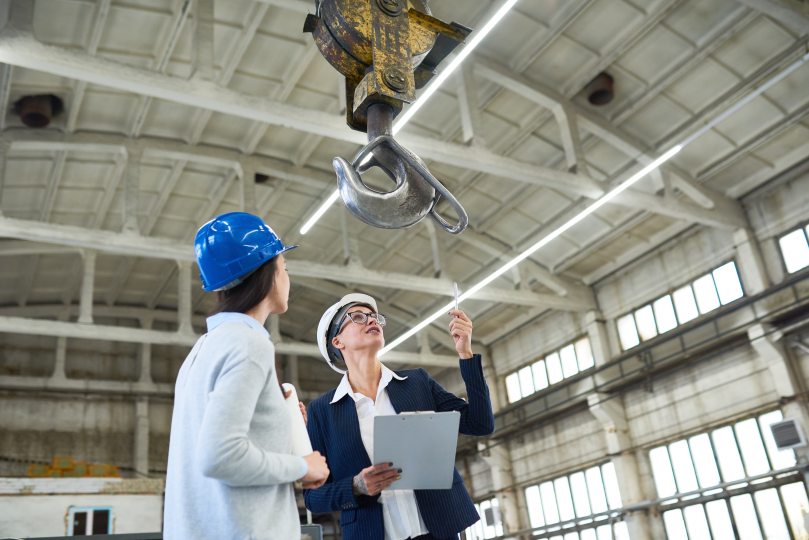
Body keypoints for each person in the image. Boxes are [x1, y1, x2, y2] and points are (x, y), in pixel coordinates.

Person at [164, 212, 329, 540]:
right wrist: (303, 466)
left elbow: (218, 444)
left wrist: (279, 422)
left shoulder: (203, 349)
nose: (287, 278)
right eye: (285, 267)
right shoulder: (249, 343)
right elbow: (220, 457)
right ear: (268, 272)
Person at [304, 293, 495, 540]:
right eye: (359, 317)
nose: (372, 320)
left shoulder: (417, 383)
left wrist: (466, 354)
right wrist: (356, 486)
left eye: (375, 317)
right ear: (337, 341)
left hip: (438, 532)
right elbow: (313, 498)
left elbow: (480, 423)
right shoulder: (322, 411)